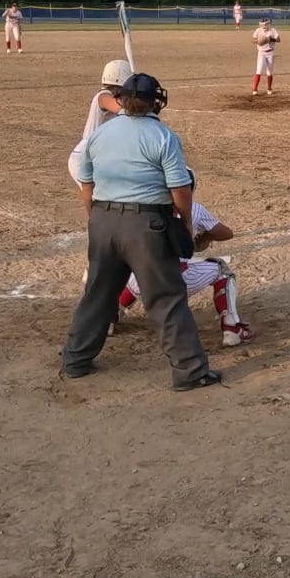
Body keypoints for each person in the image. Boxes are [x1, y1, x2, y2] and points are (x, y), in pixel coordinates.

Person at [61, 73, 221, 391]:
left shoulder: (99, 134)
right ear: (154, 102)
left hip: (103, 220)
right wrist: (186, 222)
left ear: (120, 99)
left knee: (97, 294)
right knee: (166, 299)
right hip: (147, 225)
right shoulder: (162, 136)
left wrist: (97, 219)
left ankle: (75, 359)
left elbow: (87, 186)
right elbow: (180, 189)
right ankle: (189, 371)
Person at [108, 171, 255, 347]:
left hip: (140, 283)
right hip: (176, 283)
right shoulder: (194, 209)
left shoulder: (141, 208)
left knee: (135, 265)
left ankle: (110, 316)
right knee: (222, 270)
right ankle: (232, 329)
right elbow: (226, 233)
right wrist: (205, 236)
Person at [68, 59, 132, 184]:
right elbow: (120, 107)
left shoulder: (114, 96)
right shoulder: (103, 96)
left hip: (100, 154)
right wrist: (137, 98)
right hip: (85, 157)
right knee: (95, 194)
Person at [250, 17, 280, 96]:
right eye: (262, 25)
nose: (264, 26)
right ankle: (255, 89)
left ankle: (269, 88)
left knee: (269, 72)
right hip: (261, 52)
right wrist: (259, 41)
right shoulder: (258, 30)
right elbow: (253, 40)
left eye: (265, 24)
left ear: (268, 24)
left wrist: (270, 39)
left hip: (270, 52)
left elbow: (278, 39)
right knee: (259, 70)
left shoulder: (272, 30)